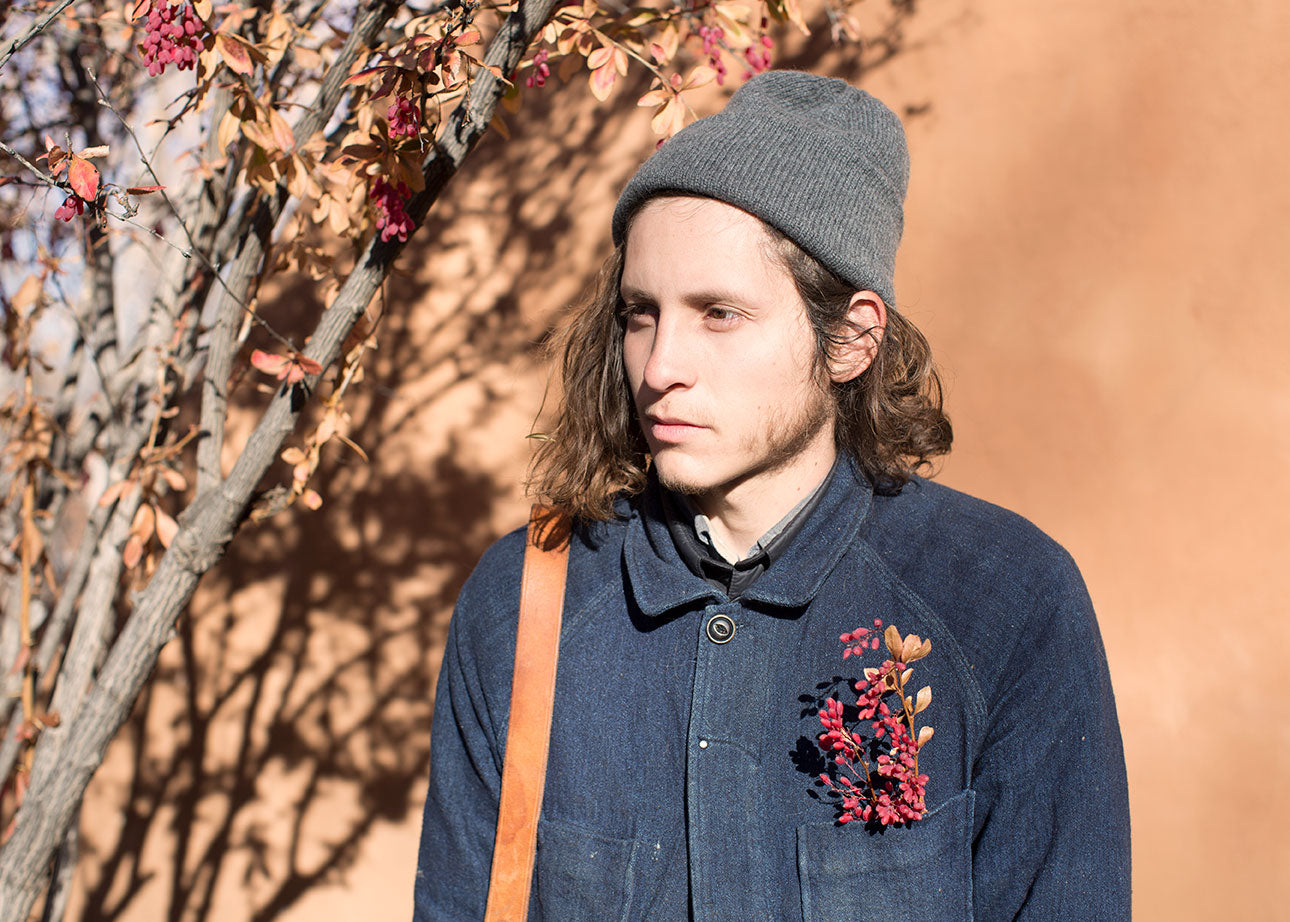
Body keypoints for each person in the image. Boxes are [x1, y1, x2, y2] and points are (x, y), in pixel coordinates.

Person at [414, 70, 1130, 921]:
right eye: (641, 314)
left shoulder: (1005, 600)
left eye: (719, 313)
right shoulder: (524, 605)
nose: (660, 365)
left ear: (852, 339)